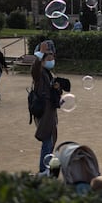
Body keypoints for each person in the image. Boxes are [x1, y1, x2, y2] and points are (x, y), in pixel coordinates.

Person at [31, 40, 63, 176]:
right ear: (43, 58)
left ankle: (46, 168)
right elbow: (34, 70)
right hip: (43, 112)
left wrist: (57, 89)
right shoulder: (39, 72)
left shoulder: (48, 73)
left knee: (51, 139)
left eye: (53, 55)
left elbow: (51, 92)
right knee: (47, 140)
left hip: (50, 112)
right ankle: (43, 171)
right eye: (49, 55)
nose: (52, 58)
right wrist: (40, 55)